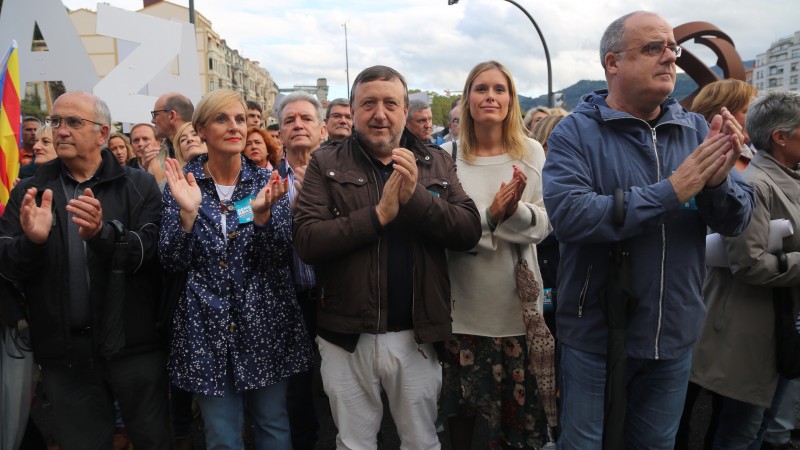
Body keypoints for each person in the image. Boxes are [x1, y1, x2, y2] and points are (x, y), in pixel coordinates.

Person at [541, 11, 755, 449]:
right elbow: (571, 216)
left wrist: (717, 184)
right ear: (613, 62)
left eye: (672, 48)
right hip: (595, 332)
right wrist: (671, 192)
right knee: (583, 444)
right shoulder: (574, 133)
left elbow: (737, 220)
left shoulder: (696, 129)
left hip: (673, 333)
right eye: (654, 48)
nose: (670, 58)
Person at [293, 65, 482, 449]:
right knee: (354, 444)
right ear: (354, 109)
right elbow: (307, 240)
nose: (380, 114)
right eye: (369, 104)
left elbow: (467, 230)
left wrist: (415, 199)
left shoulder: (434, 161)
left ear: (404, 110)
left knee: (421, 442)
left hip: (417, 335)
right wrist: (377, 216)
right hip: (346, 337)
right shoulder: (325, 163)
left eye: (390, 104)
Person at [0, 91, 171, 449]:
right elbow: (7, 264)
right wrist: (33, 242)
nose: (61, 130)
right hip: (65, 352)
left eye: (74, 122)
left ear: (102, 133)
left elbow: (149, 253)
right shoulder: (31, 191)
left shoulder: (138, 185)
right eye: (55, 121)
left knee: (152, 439)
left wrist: (102, 235)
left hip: (134, 347)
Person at [159, 88, 312, 450]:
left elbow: (277, 257)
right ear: (201, 130)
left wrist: (261, 217)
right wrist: (187, 216)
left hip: (265, 325)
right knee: (222, 436)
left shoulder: (265, 182)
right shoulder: (183, 184)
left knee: (273, 426)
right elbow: (171, 260)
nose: (234, 127)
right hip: (206, 330)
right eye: (222, 119)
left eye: (240, 119)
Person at [438, 60, 552, 450]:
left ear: (511, 100)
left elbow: (543, 226)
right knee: (461, 418)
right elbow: (442, 231)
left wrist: (513, 211)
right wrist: (491, 216)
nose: (490, 96)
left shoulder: (531, 152)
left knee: (514, 425)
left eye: (499, 89)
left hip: (515, 309)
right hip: (461, 306)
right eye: (481, 88)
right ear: (468, 99)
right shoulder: (446, 156)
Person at [690, 88, 800, 450]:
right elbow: (749, 263)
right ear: (780, 137)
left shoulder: (788, 176)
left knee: (759, 426)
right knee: (742, 432)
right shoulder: (755, 183)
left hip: (779, 326)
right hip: (748, 330)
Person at [274, 91, 327, 450]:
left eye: (306, 118)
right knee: (296, 388)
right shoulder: (263, 180)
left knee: (345, 385)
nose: (298, 125)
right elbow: (244, 224)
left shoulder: (341, 178)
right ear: (279, 133)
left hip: (334, 296)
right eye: (289, 120)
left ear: (322, 129)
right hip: (287, 299)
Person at [691, 79, 759, 171]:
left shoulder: (749, 154)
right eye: (747, 111)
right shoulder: (695, 157)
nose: (755, 117)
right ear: (721, 115)